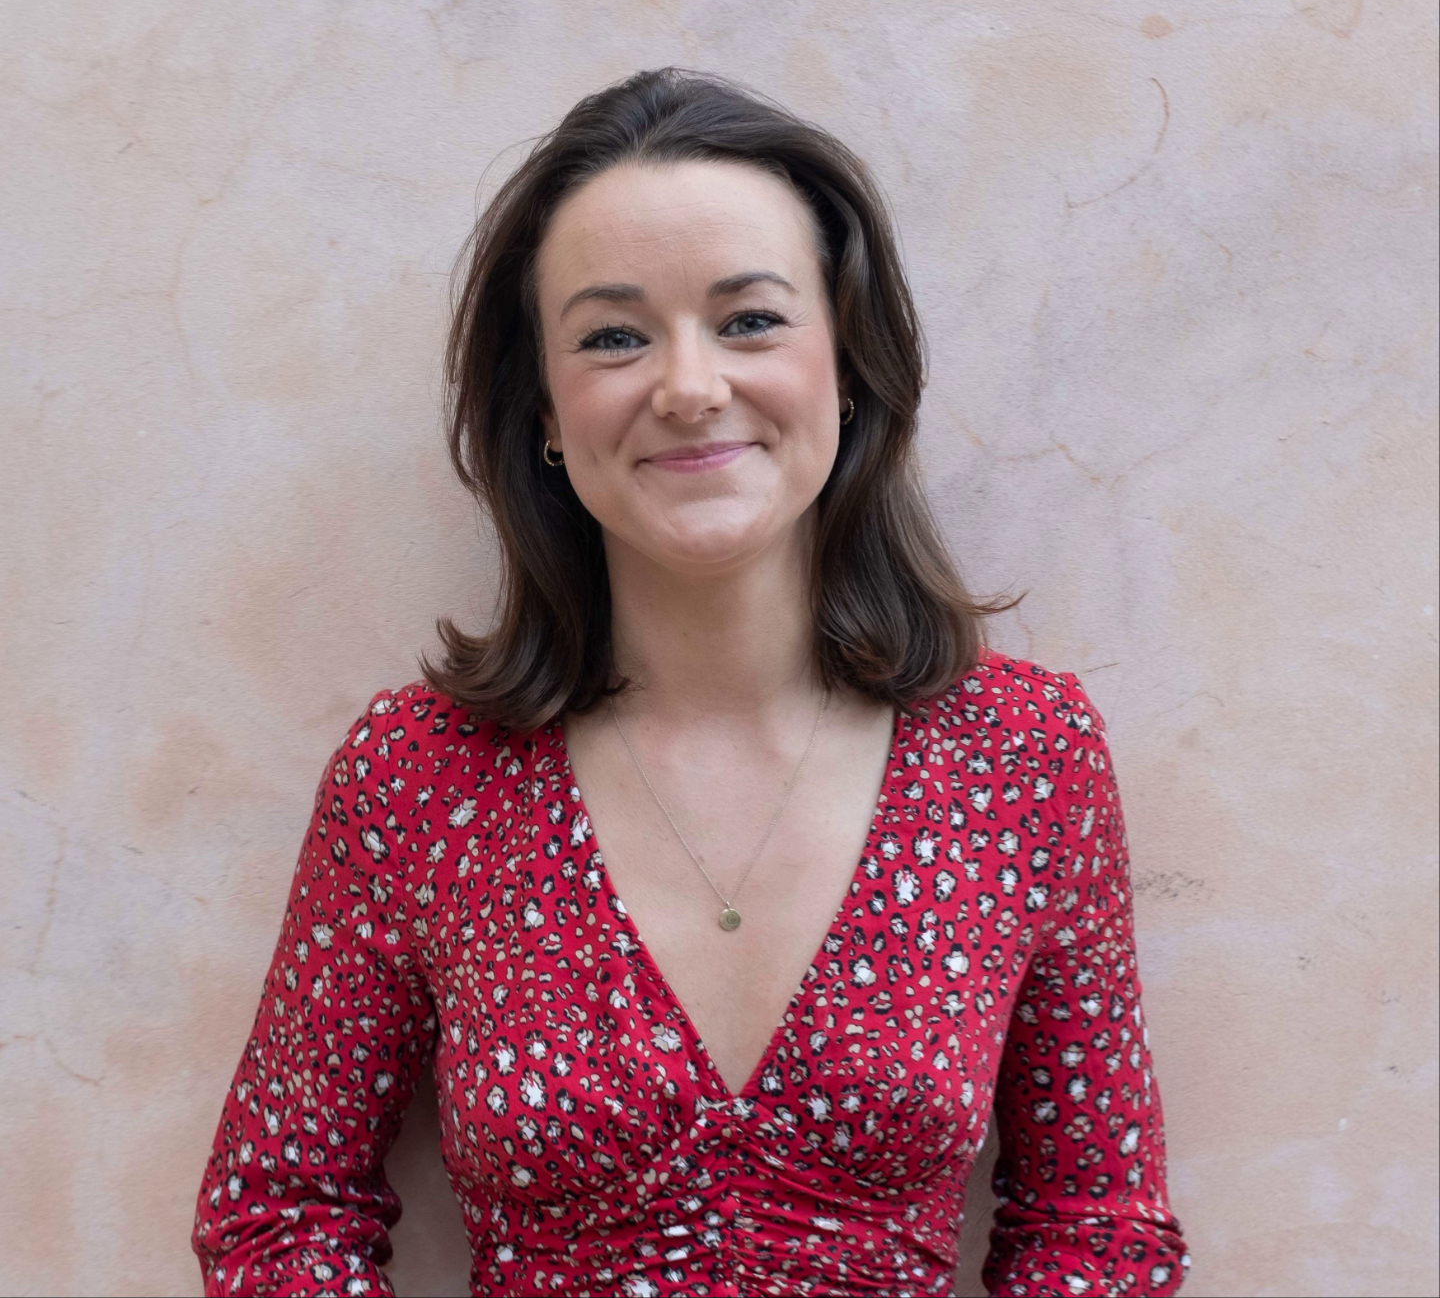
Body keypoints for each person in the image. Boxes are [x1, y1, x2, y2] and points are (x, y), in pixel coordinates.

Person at [193, 68, 1188, 1297]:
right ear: (544, 409)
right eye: (613, 336)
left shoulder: (1025, 758)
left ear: (848, 365)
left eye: (750, 320)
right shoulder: (418, 778)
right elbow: (279, 1212)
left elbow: (1100, 1225)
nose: (689, 387)